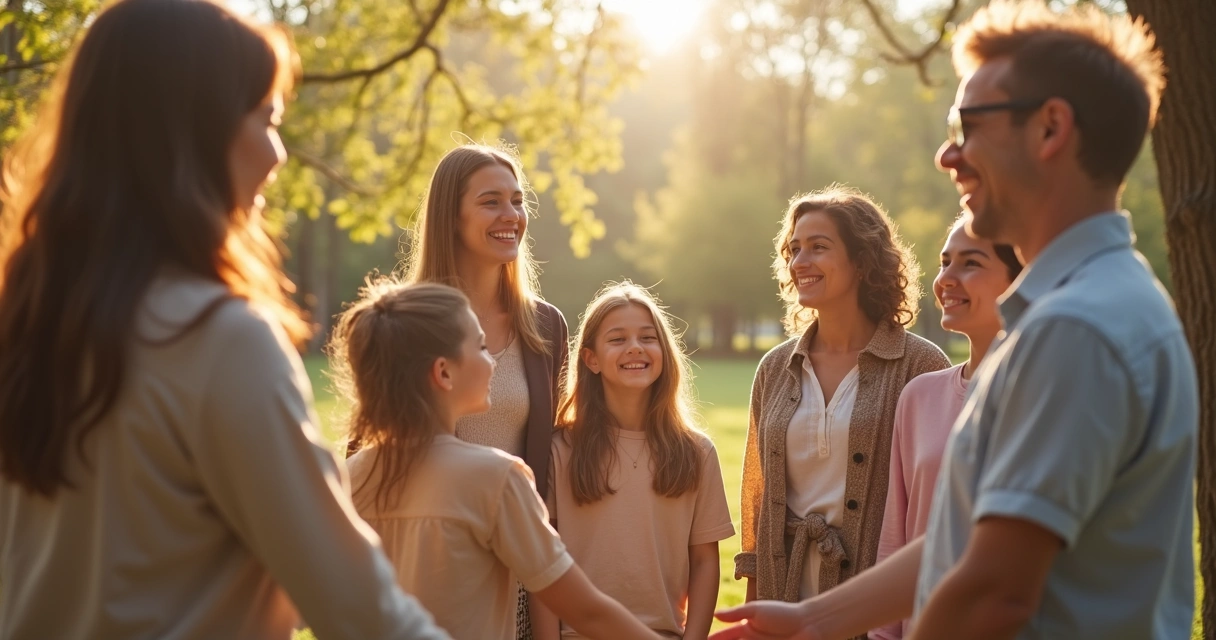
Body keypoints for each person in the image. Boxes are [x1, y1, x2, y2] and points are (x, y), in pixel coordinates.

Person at [710, 2, 1197, 639]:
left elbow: (991, 592)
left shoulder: (1076, 329)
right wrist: (811, 621)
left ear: (1051, 129)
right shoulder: (1080, 310)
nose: (948, 155)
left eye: (967, 126)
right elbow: (962, 538)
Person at [0, 1, 449, 638]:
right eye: (267, 119)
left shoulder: (27, 328)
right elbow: (360, 610)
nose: (279, 154)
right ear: (193, 131)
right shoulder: (215, 339)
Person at [336, 281, 663, 640]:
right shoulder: (497, 479)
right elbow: (586, 610)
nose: (493, 361)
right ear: (443, 372)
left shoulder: (348, 478)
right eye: (480, 346)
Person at [736, 185, 950, 612]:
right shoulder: (776, 369)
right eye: (794, 250)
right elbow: (758, 501)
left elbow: (937, 509)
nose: (800, 262)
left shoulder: (921, 366)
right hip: (786, 597)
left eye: (818, 247)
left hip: (877, 604)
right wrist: (756, 607)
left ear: (861, 261)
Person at [394, 143, 568, 638]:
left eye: (517, 201)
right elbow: (375, 445)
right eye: (491, 201)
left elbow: (551, 453)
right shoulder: (407, 320)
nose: (510, 215)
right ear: (451, 216)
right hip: (428, 562)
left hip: (517, 567)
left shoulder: (546, 326)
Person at [534, 282, 735, 640]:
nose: (635, 348)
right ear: (591, 359)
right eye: (617, 339)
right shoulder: (560, 449)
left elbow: (705, 562)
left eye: (647, 337)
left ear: (664, 350)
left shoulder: (697, 452)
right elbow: (543, 564)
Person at [869, 218, 1022, 640]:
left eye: (971, 263)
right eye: (944, 262)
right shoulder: (919, 396)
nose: (946, 280)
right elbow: (896, 537)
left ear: (1022, 280)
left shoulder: (1041, 397)